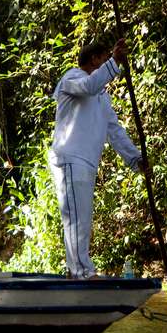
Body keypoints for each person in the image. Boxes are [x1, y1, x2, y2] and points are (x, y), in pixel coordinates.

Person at [49, 38, 147, 279]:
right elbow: (89, 85)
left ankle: (78, 271)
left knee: (83, 217)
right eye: (104, 59)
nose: (107, 64)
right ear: (95, 59)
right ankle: (81, 271)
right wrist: (114, 62)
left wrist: (136, 159)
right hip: (70, 157)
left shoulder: (102, 97)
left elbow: (114, 130)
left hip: (86, 161)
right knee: (76, 217)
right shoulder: (71, 78)